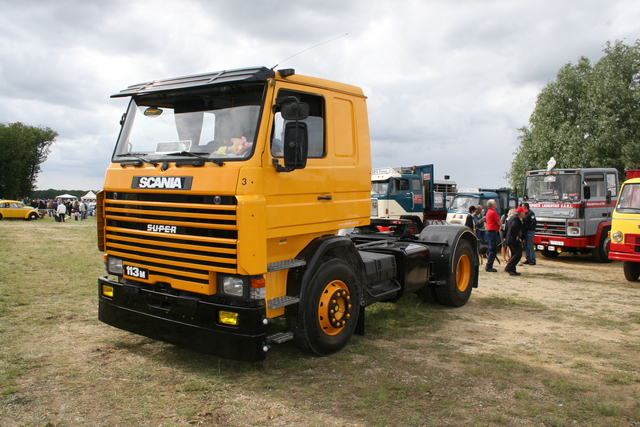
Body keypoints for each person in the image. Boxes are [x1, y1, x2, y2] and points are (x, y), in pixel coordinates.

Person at [504, 206, 526, 276]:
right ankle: (509, 267)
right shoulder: (516, 219)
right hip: (513, 239)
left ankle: (512, 269)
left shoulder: (512, 218)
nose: (524, 214)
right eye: (523, 213)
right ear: (520, 213)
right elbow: (513, 226)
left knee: (514, 254)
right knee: (518, 254)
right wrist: (517, 235)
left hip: (509, 238)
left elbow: (506, 227)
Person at [484, 199, 502, 272]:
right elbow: (499, 222)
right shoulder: (493, 212)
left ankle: (489, 264)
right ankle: (489, 266)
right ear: (492, 205)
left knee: (491, 248)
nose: (496, 204)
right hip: (492, 231)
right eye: (495, 203)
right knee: (493, 249)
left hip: (489, 231)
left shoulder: (489, 212)